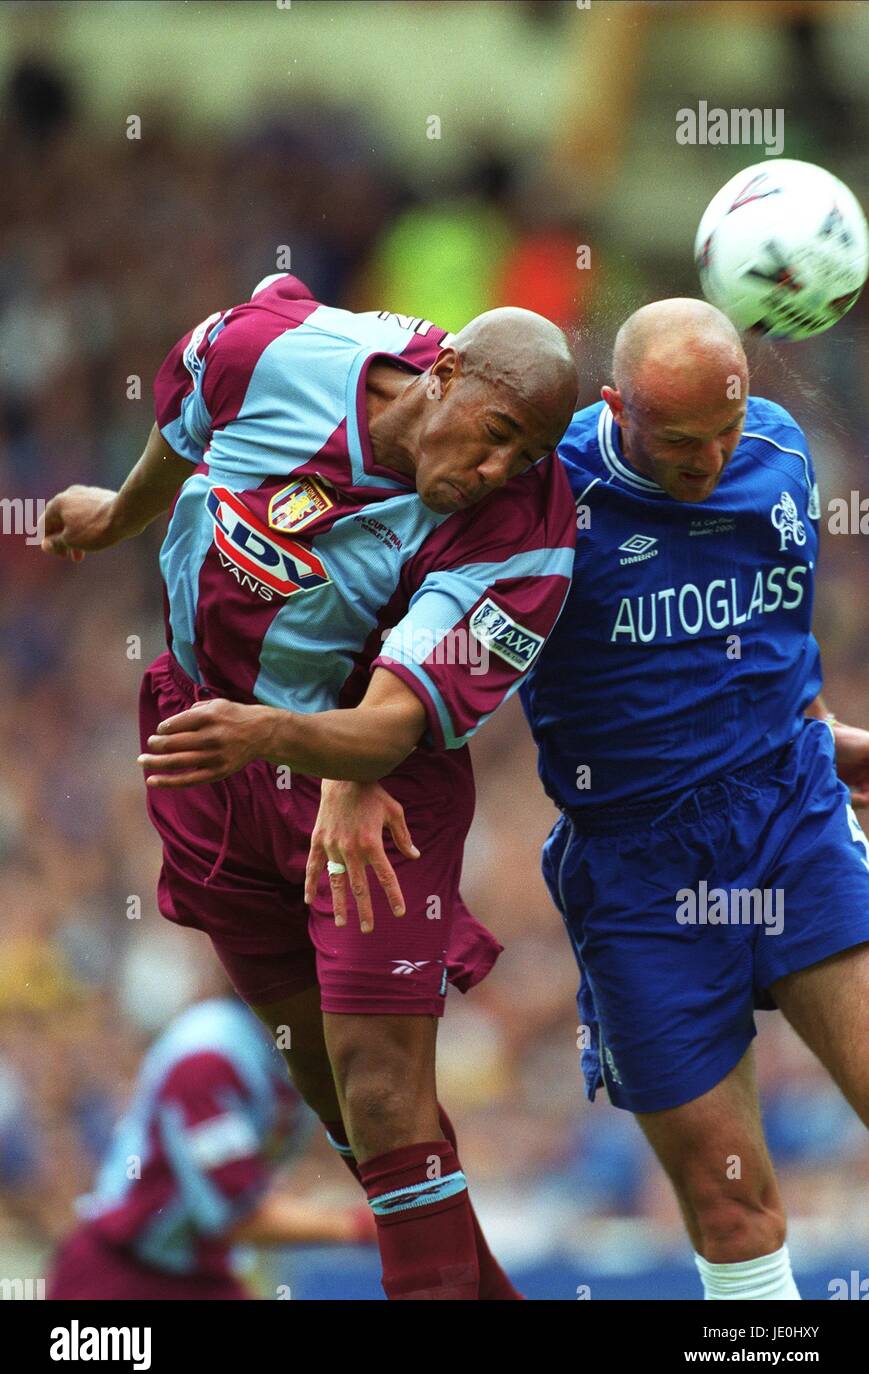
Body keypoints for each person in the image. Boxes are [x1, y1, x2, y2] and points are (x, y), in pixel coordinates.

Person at [41, 272, 578, 1299]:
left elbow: (385, 724)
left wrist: (289, 741)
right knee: (346, 1110)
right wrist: (118, 516)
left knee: (382, 1094)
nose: (500, 466)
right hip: (211, 743)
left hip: (374, 791)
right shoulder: (268, 350)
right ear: (444, 372)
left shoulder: (521, 526)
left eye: (526, 453)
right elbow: (188, 416)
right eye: (496, 431)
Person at [518, 297, 869, 1300]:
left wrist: (823, 733)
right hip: (636, 868)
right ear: (614, 405)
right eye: (679, 440)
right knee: (730, 1206)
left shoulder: (778, 452)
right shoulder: (540, 496)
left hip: (786, 816)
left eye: (724, 428)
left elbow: (778, 633)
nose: (711, 458)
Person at [46, 994, 373, 1300]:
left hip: (197, 1274)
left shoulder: (285, 1054)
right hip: (120, 1277)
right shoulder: (207, 1059)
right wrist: (360, 1225)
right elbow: (237, 1212)